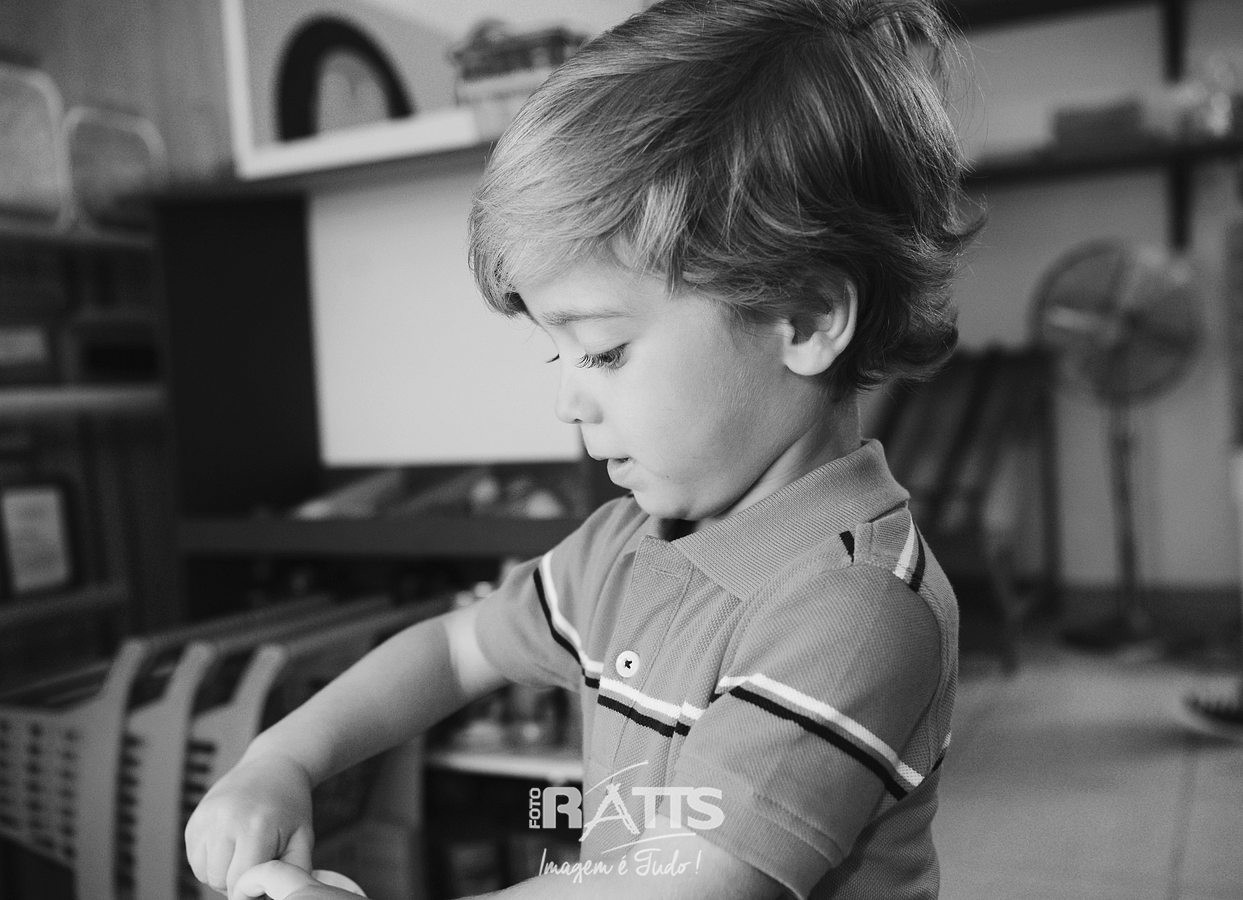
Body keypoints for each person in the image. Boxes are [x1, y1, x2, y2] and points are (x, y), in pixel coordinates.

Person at [186, 0, 981, 897]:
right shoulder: (625, 544)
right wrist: (283, 756)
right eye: (555, 354)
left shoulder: (854, 606)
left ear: (802, 317)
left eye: (601, 351)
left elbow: (679, 883)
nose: (566, 400)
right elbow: (455, 649)